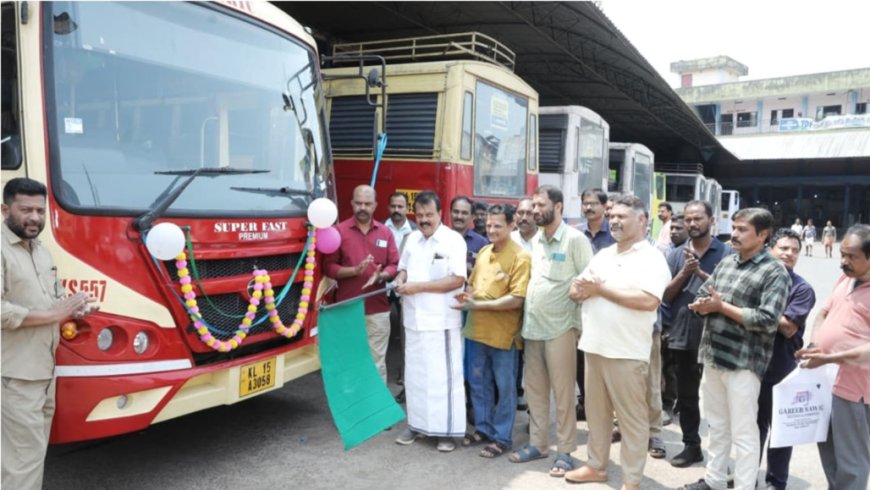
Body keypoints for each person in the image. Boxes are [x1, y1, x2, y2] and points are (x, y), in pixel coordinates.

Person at [680, 207, 791, 490]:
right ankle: (715, 481)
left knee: (744, 432)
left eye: (743, 229)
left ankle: (744, 486)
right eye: (735, 227)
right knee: (717, 427)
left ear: (763, 235)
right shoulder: (728, 262)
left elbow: (768, 320)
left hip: (744, 363)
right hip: (714, 356)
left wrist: (721, 307)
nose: (735, 234)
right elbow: (706, 294)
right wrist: (701, 307)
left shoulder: (774, 271)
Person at [565, 195, 671, 489]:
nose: (614, 220)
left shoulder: (651, 258)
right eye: (612, 215)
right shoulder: (604, 254)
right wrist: (585, 290)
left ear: (642, 221)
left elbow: (648, 300)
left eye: (622, 216)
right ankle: (596, 467)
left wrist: (600, 289)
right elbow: (576, 288)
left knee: (632, 421)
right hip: (594, 346)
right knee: (596, 415)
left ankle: (631, 480)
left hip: (626, 351)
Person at [2, 178, 98, 489]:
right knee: (23, 463)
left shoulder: (41, 251)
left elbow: (53, 298)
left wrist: (74, 308)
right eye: (25, 209)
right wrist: (55, 313)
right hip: (14, 377)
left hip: (43, 373)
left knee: (23, 457)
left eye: (40, 211)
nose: (35, 218)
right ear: (5, 209)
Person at [508, 185, 593, 478]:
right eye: (532, 206)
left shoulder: (575, 240)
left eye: (540, 205)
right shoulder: (537, 241)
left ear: (558, 206)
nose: (533, 211)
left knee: (564, 393)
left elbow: (589, 283)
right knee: (535, 392)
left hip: (561, 328)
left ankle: (566, 451)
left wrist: (580, 327)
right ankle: (538, 444)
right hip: (533, 328)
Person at [795, 224, 870, 490]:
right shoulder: (846, 279)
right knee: (828, 451)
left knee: (852, 462)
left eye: (852, 256)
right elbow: (823, 313)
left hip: (854, 389)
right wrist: (816, 343)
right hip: (826, 381)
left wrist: (828, 358)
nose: (843, 262)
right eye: (842, 254)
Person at [453, 204, 531, 459]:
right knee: (477, 382)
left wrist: (478, 304)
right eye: (488, 225)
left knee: (505, 387)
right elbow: (473, 285)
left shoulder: (521, 257)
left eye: (498, 225)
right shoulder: (484, 251)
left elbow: (517, 300)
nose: (492, 229)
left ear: (512, 226)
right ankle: (484, 429)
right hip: (476, 331)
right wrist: (468, 296)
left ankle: (502, 437)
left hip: (503, 336)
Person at [393, 191, 467, 452]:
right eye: (420, 215)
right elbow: (403, 268)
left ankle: (445, 431)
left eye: (429, 215)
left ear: (440, 215)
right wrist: (401, 280)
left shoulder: (453, 240)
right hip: (413, 320)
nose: (424, 220)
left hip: (441, 321)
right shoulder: (411, 239)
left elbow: (457, 279)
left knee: (442, 379)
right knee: (415, 377)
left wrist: (418, 287)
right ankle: (416, 425)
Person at [665, 201, 732, 469]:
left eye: (698, 219)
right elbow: (666, 296)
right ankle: (692, 446)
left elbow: (731, 295)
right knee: (688, 397)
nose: (693, 224)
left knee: (719, 401)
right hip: (683, 334)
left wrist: (702, 274)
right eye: (688, 220)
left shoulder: (727, 253)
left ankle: (721, 457)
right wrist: (685, 272)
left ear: (711, 220)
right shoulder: (675, 254)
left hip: (717, 334)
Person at [323, 185, 400, 384]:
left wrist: (382, 276)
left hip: (378, 309)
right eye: (358, 203)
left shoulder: (385, 233)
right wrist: (354, 271)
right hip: (347, 309)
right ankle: (354, 410)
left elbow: (395, 265)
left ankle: (375, 411)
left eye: (367, 203)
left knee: (376, 364)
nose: (362, 207)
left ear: (375, 205)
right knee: (349, 363)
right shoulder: (338, 231)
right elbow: (329, 267)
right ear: (351, 204)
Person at [757, 228, 816, 490]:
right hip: (751, 365)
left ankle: (775, 482)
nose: (789, 254)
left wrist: (758, 311)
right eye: (783, 248)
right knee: (750, 428)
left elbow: (789, 328)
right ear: (771, 249)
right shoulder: (758, 278)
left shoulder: (802, 289)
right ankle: (746, 476)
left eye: (794, 250)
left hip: (781, 368)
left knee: (780, 431)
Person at [573, 187, 615, 421]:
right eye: (585, 203)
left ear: (604, 206)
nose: (588, 208)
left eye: (593, 204)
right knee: (582, 356)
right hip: (581, 304)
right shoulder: (577, 235)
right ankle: (585, 402)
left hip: (608, 303)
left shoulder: (613, 236)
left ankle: (608, 409)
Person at [384, 192, 417, 390]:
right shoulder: (379, 227)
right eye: (393, 206)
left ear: (407, 208)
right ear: (388, 207)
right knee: (378, 329)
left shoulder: (415, 231)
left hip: (406, 286)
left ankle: (405, 375)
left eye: (400, 207)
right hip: (382, 285)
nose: (397, 210)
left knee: (406, 333)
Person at [510, 196, 538, 411]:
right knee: (514, 353)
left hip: (538, 310)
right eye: (521, 213)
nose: (524, 217)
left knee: (536, 362)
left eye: (529, 213)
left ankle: (536, 410)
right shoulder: (507, 240)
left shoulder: (545, 241)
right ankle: (515, 393)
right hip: (511, 308)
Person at [450, 196, 489, 277]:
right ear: (450, 213)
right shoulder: (440, 239)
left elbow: (486, 274)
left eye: (464, 213)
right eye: (456, 212)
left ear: (472, 216)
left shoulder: (482, 243)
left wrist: (470, 270)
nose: (459, 216)